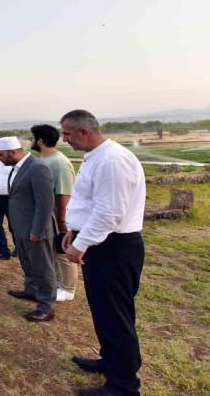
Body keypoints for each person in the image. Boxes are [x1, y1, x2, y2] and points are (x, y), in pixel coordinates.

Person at [60, 110, 146, 396]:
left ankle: (123, 385)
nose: (64, 139)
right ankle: (111, 362)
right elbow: (90, 203)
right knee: (104, 311)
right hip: (102, 243)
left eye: (68, 134)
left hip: (113, 247)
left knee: (115, 315)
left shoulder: (111, 160)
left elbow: (110, 212)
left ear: (84, 131)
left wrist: (81, 244)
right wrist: (75, 230)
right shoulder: (97, 156)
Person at [0, 136, 56, 322]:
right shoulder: (16, 168)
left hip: (35, 229)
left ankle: (46, 306)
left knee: (43, 268)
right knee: (28, 263)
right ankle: (31, 291)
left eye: (0, 155)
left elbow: (45, 203)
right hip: (21, 227)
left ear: (13, 152)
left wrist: (38, 230)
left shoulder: (37, 167)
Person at [30, 124, 77, 302]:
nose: (31, 141)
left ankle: (68, 289)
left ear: (40, 141)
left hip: (59, 215)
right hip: (49, 215)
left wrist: (62, 221)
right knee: (53, 251)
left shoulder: (59, 163)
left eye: (32, 138)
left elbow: (64, 193)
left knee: (62, 251)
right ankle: (58, 282)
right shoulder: (46, 160)